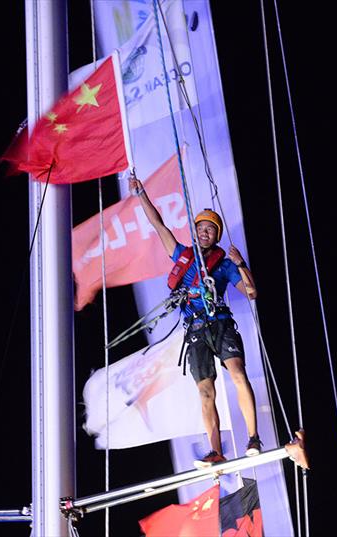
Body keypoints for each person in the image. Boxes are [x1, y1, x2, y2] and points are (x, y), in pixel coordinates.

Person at [129, 174, 262, 468]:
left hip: (220, 325)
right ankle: (216, 451)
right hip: (195, 331)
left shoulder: (225, 266)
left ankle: (253, 438)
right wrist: (141, 195)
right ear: (195, 231)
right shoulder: (183, 256)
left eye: (210, 230)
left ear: (216, 236)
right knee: (205, 391)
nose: (204, 233)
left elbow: (251, 292)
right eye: (201, 228)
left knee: (238, 375)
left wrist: (240, 264)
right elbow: (158, 224)